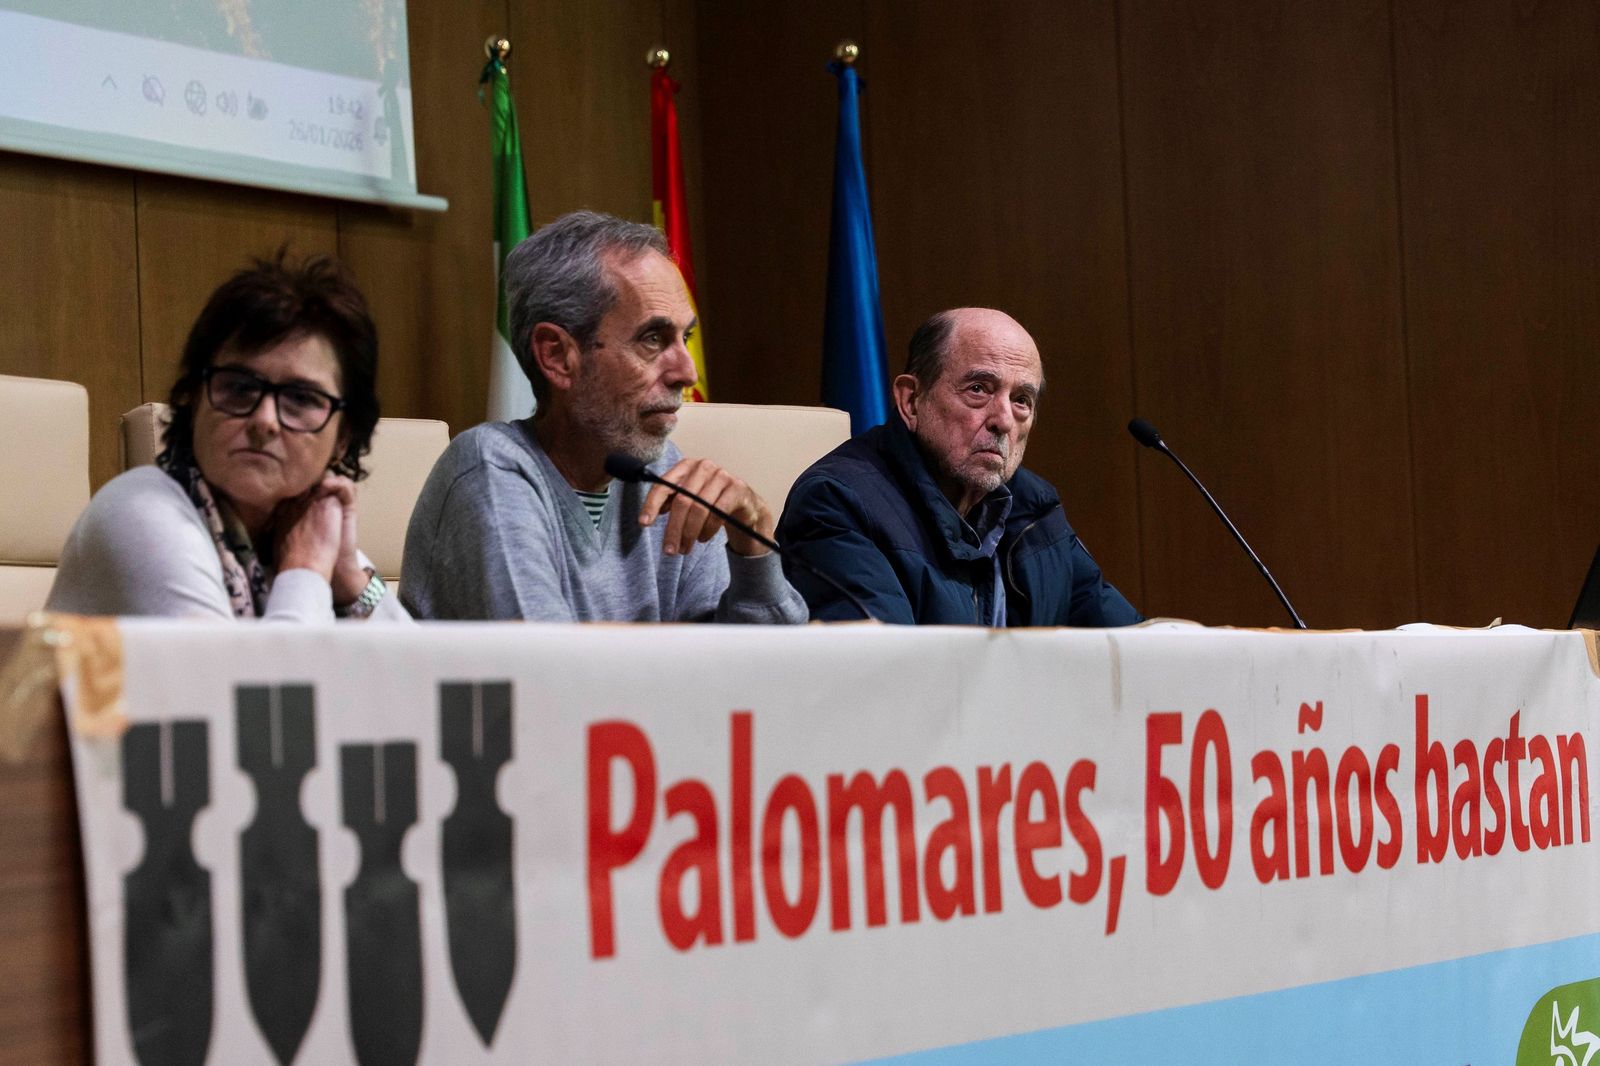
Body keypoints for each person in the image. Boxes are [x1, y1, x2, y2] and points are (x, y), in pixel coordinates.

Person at [401, 211, 807, 624]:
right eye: (653, 339)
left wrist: (753, 549)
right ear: (558, 356)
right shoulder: (491, 469)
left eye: (685, 338)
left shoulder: (665, 475)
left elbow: (766, 676)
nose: (688, 373)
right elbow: (550, 672)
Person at [48, 252, 405, 622]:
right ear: (193, 398)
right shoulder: (140, 514)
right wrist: (307, 571)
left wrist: (349, 578)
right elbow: (257, 680)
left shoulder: (301, 523)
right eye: (238, 387)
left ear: (343, 437)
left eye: (301, 399)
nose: (265, 420)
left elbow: (424, 672)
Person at [777, 307, 1141, 627]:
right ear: (911, 400)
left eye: (1021, 401)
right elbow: (889, 675)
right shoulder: (838, 501)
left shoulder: (1035, 510)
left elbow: (1131, 643)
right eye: (979, 389)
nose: (1003, 420)